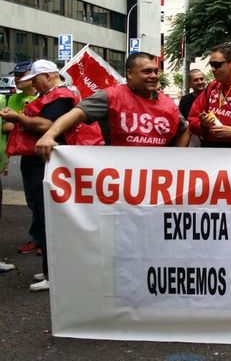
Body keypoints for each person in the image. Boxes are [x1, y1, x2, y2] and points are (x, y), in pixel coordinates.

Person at [0, 60, 102, 292]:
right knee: (42, 214)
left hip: (47, 162)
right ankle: (51, 269)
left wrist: (18, 119)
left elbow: (46, 124)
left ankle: (53, 273)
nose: (33, 84)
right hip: (40, 161)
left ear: (48, 76)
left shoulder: (61, 97)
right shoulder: (54, 95)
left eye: (35, 79)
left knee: (48, 217)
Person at [35, 52, 189, 159]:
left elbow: (185, 128)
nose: (154, 76)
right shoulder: (110, 96)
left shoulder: (168, 103)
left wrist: (176, 160)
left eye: (156, 71)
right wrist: (49, 136)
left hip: (156, 177)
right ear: (129, 74)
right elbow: (76, 114)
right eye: (147, 71)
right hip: (119, 174)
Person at [2, 61, 40, 255]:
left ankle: (46, 240)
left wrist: (19, 120)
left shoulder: (45, 96)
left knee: (45, 199)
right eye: (15, 76)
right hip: (24, 153)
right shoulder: (14, 99)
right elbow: (5, 126)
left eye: (21, 76)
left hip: (43, 153)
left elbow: (44, 125)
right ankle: (37, 238)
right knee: (32, 199)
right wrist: (25, 122)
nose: (17, 80)